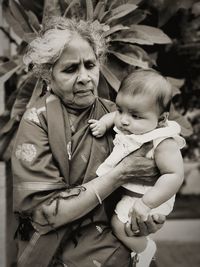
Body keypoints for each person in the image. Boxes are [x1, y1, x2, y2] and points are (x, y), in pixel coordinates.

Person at [12, 17, 165, 267]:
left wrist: (145, 219)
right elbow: (44, 213)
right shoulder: (36, 122)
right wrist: (119, 175)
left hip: (120, 251)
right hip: (58, 256)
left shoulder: (120, 117)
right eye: (71, 69)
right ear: (48, 75)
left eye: (90, 65)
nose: (84, 77)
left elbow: (146, 184)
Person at [89, 69, 185, 267]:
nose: (123, 119)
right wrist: (103, 124)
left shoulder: (162, 141)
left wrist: (147, 204)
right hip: (132, 193)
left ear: (161, 119)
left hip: (148, 197)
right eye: (121, 109)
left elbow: (175, 175)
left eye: (134, 115)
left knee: (119, 226)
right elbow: (114, 117)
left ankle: (144, 249)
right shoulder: (132, 124)